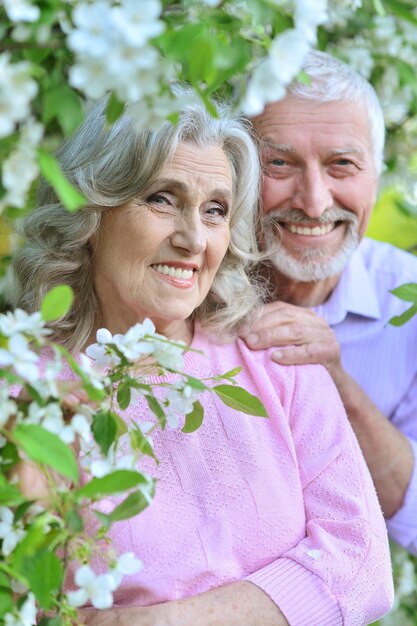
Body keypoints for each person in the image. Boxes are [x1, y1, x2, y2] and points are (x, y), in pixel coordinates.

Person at [8, 94, 393, 625]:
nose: (194, 240)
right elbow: (25, 599)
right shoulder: (27, 393)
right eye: (162, 199)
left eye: (215, 210)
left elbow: (363, 567)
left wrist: (161, 621)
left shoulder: (276, 359)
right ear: (90, 212)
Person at [242, 50, 417, 556]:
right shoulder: (189, 281)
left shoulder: (408, 301)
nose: (314, 202)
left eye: (343, 164)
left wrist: (333, 382)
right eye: (279, 163)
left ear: (377, 176)